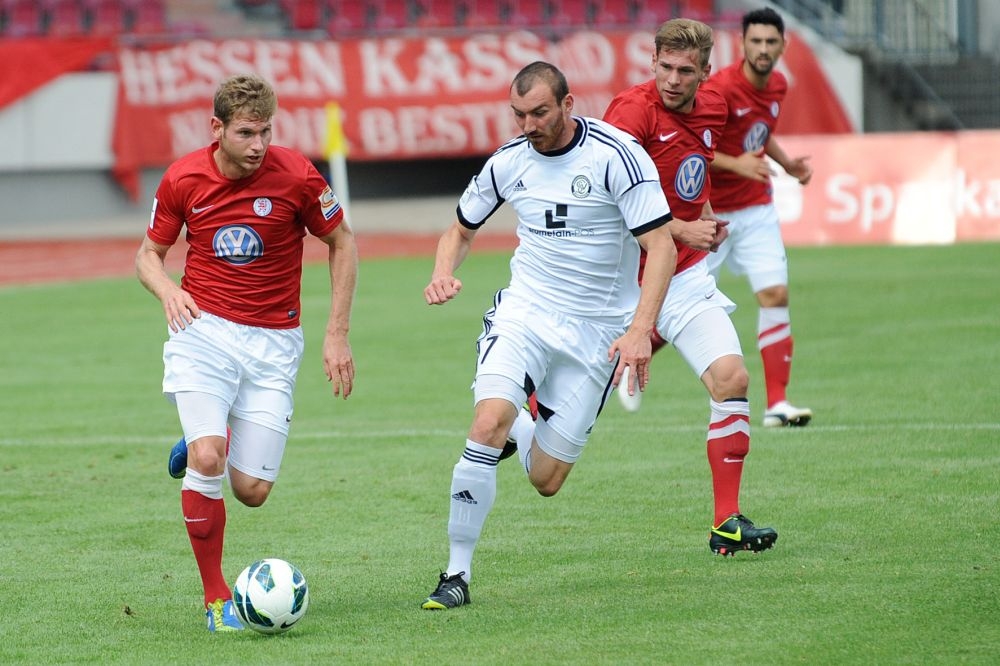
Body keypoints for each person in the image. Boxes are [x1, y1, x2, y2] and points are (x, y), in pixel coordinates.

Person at [420, 61, 680, 609]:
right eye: (518, 114)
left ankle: (524, 416)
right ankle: (456, 574)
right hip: (527, 313)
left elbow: (662, 247)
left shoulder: (617, 157)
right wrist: (444, 270)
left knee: (546, 479)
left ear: (568, 104)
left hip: (597, 333)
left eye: (539, 112)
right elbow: (459, 230)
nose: (527, 124)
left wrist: (639, 331)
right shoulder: (508, 162)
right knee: (486, 420)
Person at [135, 73, 358, 632]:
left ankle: (207, 433)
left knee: (252, 491)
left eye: (266, 131)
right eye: (246, 132)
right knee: (208, 459)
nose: (258, 144)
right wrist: (169, 289)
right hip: (202, 330)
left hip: (274, 342)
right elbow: (147, 256)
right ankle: (215, 600)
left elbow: (342, 241)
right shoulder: (183, 177)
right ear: (217, 129)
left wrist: (336, 332)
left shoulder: (298, 175)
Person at [602, 18, 778, 555]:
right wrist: (680, 228)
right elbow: (607, 203)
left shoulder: (715, 108)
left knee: (732, 377)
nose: (673, 80)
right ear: (652, 63)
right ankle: (527, 413)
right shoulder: (628, 114)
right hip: (612, 283)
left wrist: (706, 219)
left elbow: (692, 175)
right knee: (549, 468)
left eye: (685, 71)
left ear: (705, 72)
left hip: (680, 276)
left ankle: (727, 521)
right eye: (665, 68)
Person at [701, 7, 813, 428]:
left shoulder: (778, 85)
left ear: (783, 45)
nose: (763, 49)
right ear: (742, 44)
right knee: (672, 307)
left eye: (771, 42)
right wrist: (737, 165)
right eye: (756, 41)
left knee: (775, 295)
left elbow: (761, 134)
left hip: (756, 208)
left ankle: (777, 404)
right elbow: (697, 149)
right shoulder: (720, 90)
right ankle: (626, 363)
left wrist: (787, 165)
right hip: (711, 214)